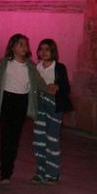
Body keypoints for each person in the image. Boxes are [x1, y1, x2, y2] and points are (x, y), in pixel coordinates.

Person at [0, 34, 48, 184]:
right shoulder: (4, 64)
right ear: (12, 47)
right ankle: (5, 173)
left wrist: (51, 88)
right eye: (20, 44)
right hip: (7, 101)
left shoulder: (30, 66)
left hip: (21, 102)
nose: (24, 47)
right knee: (6, 138)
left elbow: (39, 83)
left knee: (15, 138)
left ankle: (8, 168)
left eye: (26, 44)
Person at [32, 38, 72, 184]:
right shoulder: (36, 68)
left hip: (54, 108)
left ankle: (53, 173)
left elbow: (66, 87)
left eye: (47, 49)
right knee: (39, 140)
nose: (43, 52)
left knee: (52, 140)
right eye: (41, 49)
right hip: (40, 107)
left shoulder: (59, 67)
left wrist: (56, 87)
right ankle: (40, 171)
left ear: (53, 51)